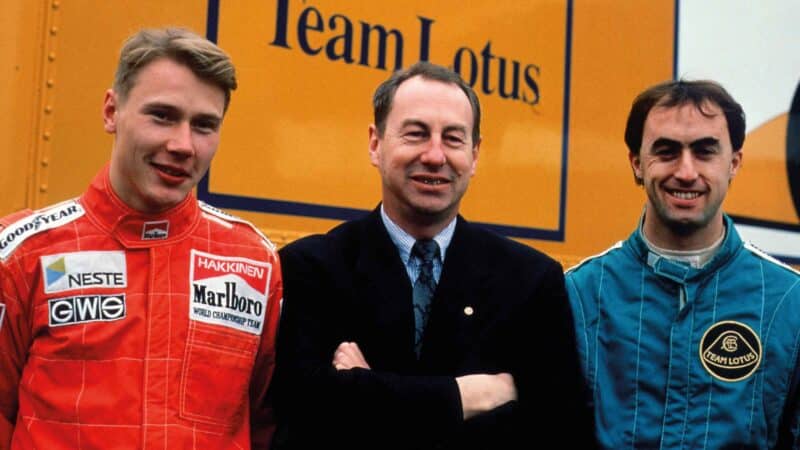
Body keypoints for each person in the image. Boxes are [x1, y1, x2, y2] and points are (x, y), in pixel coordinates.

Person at [271, 61, 595, 450]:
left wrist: (366, 392)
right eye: (416, 134)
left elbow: (558, 431)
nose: (435, 155)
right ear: (376, 144)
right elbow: (305, 415)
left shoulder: (531, 281)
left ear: (474, 156)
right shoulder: (311, 267)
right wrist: (471, 395)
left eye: (454, 139)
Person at [0, 28, 282, 449]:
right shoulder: (23, 251)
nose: (183, 144)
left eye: (204, 125)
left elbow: (266, 421)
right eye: (162, 116)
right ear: (112, 111)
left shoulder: (254, 262)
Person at [565, 79, 800, 448]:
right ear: (637, 163)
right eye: (667, 151)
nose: (686, 172)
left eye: (705, 151)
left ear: (734, 163)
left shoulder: (790, 304)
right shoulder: (578, 296)